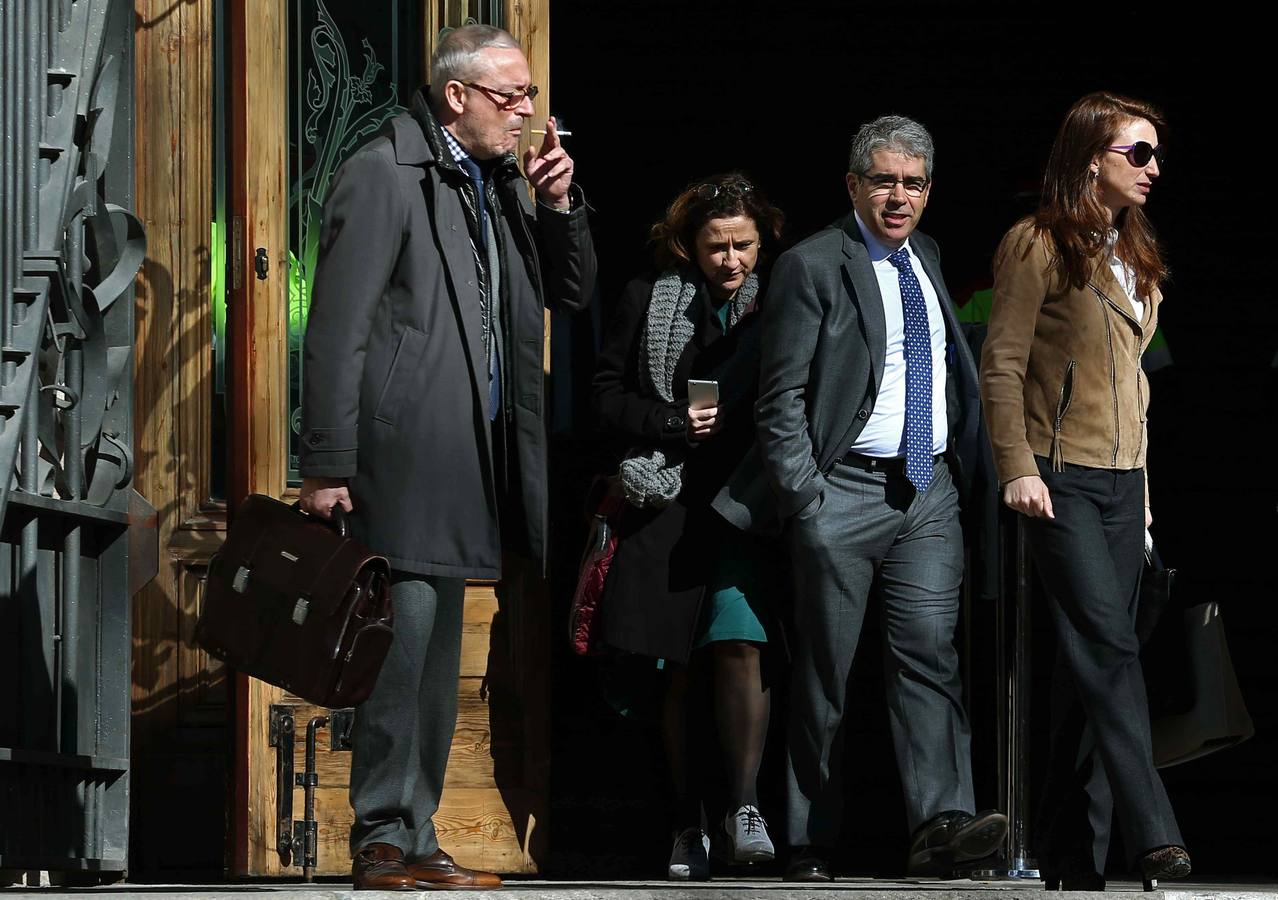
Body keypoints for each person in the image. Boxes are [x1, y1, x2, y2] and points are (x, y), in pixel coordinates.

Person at [297, 24, 596, 892]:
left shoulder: (496, 182)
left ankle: (417, 833)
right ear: (455, 96)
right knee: (402, 644)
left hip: (473, 449)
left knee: (432, 658)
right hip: (402, 452)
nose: (528, 113)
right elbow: (337, 328)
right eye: (512, 97)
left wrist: (558, 206)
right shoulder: (385, 174)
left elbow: (567, 293)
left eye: (531, 95)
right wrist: (325, 463)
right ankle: (382, 835)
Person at [755, 115, 1006, 882]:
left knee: (931, 657)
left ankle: (942, 825)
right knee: (826, 674)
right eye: (885, 180)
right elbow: (780, 398)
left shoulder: (925, 256)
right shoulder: (810, 264)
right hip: (844, 492)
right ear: (854, 185)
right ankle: (808, 838)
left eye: (915, 183)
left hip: (927, 492)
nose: (900, 197)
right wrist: (806, 499)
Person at [979, 91, 1190, 891]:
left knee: (1089, 669)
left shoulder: (1136, 251)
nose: (1152, 169)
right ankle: (1154, 833)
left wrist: (1141, 491)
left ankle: (1073, 857)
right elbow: (1001, 364)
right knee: (1109, 651)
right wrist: (1018, 467)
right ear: (1090, 159)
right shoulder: (1036, 244)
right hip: (1058, 473)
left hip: (1120, 478)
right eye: (1136, 153)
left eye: (1153, 154)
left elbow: (1133, 382)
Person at [592, 173, 785, 881]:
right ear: (689, 245)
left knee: (740, 640)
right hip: (663, 500)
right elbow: (606, 395)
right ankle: (685, 824)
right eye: (716, 247)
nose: (731, 261)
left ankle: (743, 809)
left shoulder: (781, 303)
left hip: (746, 502)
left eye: (744, 246)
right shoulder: (650, 297)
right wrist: (672, 420)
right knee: (672, 667)